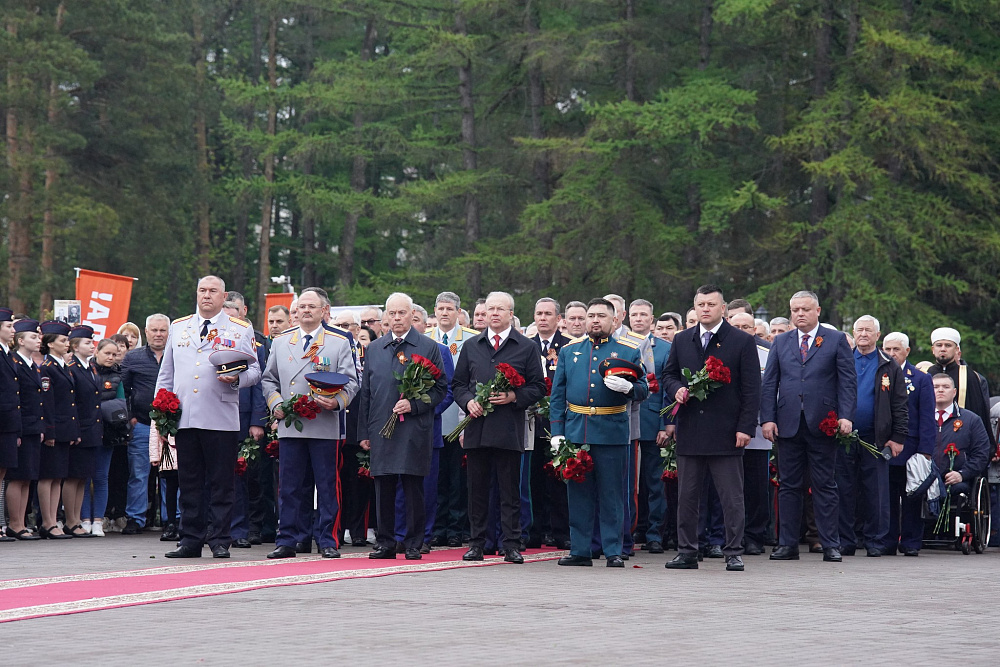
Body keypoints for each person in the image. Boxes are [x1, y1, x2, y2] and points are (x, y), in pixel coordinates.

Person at [156, 275, 261, 559]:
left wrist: (237, 378)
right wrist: (161, 414)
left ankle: (220, 540)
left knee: (221, 482)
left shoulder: (239, 328)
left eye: (213, 291)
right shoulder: (179, 326)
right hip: (185, 416)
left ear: (223, 296)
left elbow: (255, 371)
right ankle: (190, 539)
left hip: (220, 415)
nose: (206, 295)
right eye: (202, 290)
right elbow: (166, 374)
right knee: (189, 481)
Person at [663, 286, 761, 572]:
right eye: (701, 304)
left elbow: (752, 389)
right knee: (688, 496)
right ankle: (687, 551)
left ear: (723, 309)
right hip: (691, 429)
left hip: (727, 431)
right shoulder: (682, 339)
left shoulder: (741, 341)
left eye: (711, 304)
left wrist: (745, 427)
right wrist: (676, 388)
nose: (705, 309)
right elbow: (669, 374)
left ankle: (733, 551)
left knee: (731, 497)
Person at [549, 298, 648, 567]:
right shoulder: (570, 351)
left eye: (601, 316)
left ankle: (613, 550)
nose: (595, 320)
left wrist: (629, 389)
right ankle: (581, 550)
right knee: (578, 494)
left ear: (614, 320)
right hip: (577, 431)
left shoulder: (628, 351)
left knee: (612, 495)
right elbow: (558, 395)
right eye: (591, 315)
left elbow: (644, 388)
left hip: (611, 431)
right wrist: (557, 431)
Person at [263, 288, 360, 559]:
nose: (306, 311)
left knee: (327, 486)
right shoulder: (281, 341)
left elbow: (352, 382)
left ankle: (327, 540)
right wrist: (276, 404)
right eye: (301, 307)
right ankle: (289, 539)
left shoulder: (338, 341)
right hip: (290, 424)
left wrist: (337, 401)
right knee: (290, 486)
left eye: (311, 306)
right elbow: (269, 379)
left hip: (324, 423)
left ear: (324, 311)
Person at [761, 290, 856, 563]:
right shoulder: (781, 341)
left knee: (825, 485)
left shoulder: (836, 340)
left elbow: (847, 382)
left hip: (823, 423)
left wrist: (845, 416)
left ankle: (830, 544)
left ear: (818, 311)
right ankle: (787, 544)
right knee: (789, 486)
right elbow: (770, 383)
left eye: (805, 309)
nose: (800, 314)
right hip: (788, 423)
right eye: (795, 310)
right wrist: (768, 418)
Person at [454, 292, 546, 563]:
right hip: (477, 428)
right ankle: (477, 543)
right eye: (490, 309)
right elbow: (458, 384)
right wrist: (468, 401)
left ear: (511, 314)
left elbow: (538, 387)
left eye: (500, 309)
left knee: (510, 492)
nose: (494, 313)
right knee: (477, 491)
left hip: (508, 429)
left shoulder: (526, 346)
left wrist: (514, 396)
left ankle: (511, 544)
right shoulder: (472, 345)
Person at [359, 293, 448, 560]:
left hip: (414, 427)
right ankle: (385, 542)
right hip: (381, 428)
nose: (397, 318)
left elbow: (441, 388)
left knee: (412, 487)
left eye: (402, 313)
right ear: (386, 317)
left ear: (412, 315)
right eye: (392, 313)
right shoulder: (375, 348)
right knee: (383, 486)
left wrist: (415, 405)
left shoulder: (427, 346)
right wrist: (364, 432)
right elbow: (366, 393)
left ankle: (413, 543)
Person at [837, 315, 907, 557]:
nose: (863, 334)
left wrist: (898, 437)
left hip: (876, 438)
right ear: (853, 333)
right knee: (844, 489)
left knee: (876, 491)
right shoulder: (842, 359)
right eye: (859, 330)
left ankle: (875, 541)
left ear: (878, 335)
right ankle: (845, 540)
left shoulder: (889, 364)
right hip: (843, 437)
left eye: (868, 330)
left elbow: (900, 404)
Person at [426, 291, 478, 548]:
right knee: (435, 478)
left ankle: (456, 528)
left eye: (449, 309)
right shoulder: (424, 340)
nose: (444, 313)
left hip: (461, 418)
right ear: (434, 311)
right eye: (440, 308)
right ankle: (436, 527)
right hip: (431, 418)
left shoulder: (471, 339)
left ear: (458, 312)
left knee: (457, 479)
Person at [881, 332, 935, 556]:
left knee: (912, 496)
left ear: (907, 351)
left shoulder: (920, 379)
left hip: (911, 448)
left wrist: (926, 451)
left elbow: (927, 417)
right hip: (884, 446)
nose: (891, 354)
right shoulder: (879, 374)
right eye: (887, 349)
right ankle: (888, 541)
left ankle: (911, 542)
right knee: (887, 498)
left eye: (896, 349)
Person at [529, 297, 573, 550]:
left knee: (559, 478)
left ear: (558, 319)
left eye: (548, 314)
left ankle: (560, 531)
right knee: (533, 478)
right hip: (531, 421)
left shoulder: (569, 346)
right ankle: (535, 530)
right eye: (539, 314)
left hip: (559, 422)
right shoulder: (526, 345)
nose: (543, 318)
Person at [224, 300, 268, 550]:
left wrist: (257, 420)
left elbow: (260, 383)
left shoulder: (254, 345)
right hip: (212, 416)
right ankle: (212, 527)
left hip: (242, 419)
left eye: (234, 318)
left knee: (240, 477)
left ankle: (239, 529)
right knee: (213, 476)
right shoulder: (208, 341)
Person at [120, 314, 169, 535]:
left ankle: (172, 518)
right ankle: (135, 518)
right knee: (138, 474)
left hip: (170, 426)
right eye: (154, 330)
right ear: (146, 332)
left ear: (169, 332)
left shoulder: (178, 355)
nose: (158, 334)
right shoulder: (133, 358)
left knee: (170, 474)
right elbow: (123, 390)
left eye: (162, 330)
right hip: (141, 423)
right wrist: (129, 416)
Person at [729, 312, 771, 555]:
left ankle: (754, 536)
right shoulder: (720, 349)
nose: (741, 330)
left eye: (746, 326)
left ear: (754, 330)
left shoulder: (767, 353)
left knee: (756, 487)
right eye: (736, 325)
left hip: (756, 431)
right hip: (725, 429)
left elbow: (771, 390)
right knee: (729, 487)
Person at [5, 319, 48, 540]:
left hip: (32, 426)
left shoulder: (31, 365)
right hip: (21, 426)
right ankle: (15, 523)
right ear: (20, 341)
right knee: (18, 477)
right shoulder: (15, 363)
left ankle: (21, 522)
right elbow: (18, 399)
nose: (38, 340)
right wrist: (19, 430)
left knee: (27, 477)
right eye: (33, 336)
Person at [81, 339, 129, 536]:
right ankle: (85, 519)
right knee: (84, 477)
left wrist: (100, 409)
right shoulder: (85, 370)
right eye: (107, 353)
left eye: (114, 354)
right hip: (86, 431)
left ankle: (98, 520)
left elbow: (121, 403)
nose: (110, 357)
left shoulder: (118, 376)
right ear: (97, 352)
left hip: (108, 431)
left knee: (101, 476)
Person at [927, 327, 996, 454]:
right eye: (939, 345)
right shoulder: (925, 374)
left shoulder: (969, 376)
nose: (943, 349)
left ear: (956, 349)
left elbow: (979, 410)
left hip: (962, 441)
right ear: (933, 349)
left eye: (948, 345)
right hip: (930, 438)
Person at [636, 309, 671, 554]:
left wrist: (664, 425)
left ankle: (654, 533)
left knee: (655, 483)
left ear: (652, 320)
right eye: (634, 315)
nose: (639, 319)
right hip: (622, 422)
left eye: (644, 315)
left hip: (652, 422)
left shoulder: (665, 349)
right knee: (627, 482)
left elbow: (668, 389)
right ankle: (630, 529)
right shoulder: (619, 345)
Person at [930, 374, 990, 502]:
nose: (940, 390)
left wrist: (962, 474)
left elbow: (981, 454)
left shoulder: (971, 420)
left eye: (946, 387)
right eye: (936, 387)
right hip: (925, 480)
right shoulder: (920, 419)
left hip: (956, 481)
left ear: (954, 392)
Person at [0, 308, 19, 542]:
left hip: (8, 421)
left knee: (3, 472)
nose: (13, 330)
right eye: (8, 326)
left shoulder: (7, 353)